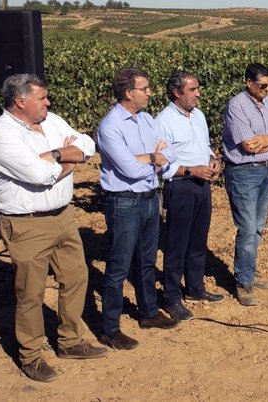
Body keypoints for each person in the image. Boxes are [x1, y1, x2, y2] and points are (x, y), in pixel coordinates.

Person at [0, 74, 107, 382]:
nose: (48, 103)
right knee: (31, 292)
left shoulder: (52, 121)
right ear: (20, 101)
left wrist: (56, 155)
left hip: (63, 216)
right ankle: (31, 354)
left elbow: (86, 144)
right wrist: (67, 160)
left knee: (76, 277)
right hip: (27, 225)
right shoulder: (2, 135)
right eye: (42, 98)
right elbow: (41, 175)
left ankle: (70, 341)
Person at [97, 67, 178, 350]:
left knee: (146, 260)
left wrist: (152, 158)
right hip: (125, 201)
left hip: (148, 198)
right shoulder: (111, 126)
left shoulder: (147, 120)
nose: (149, 93)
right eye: (144, 89)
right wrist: (155, 159)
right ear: (128, 92)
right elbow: (129, 169)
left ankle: (148, 312)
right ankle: (109, 328)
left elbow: (170, 156)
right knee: (118, 266)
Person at [155, 71, 224, 322]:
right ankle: (171, 296)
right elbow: (162, 164)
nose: (198, 93)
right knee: (176, 245)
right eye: (193, 89)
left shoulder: (199, 116)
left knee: (198, 241)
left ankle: (195, 289)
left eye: (198, 88)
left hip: (202, 185)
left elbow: (203, 146)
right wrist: (190, 170)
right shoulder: (163, 121)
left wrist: (212, 160)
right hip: (181, 187)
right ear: (177, 92)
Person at [222, 63, 268, 306]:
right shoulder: (237, 106)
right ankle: (243, 281)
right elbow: (249, 146)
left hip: (267, 170)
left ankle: (249, 271)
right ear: (248, 82)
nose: (267, 90)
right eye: (262, 86)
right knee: (248, 227)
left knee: (259, 225)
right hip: (244, 173)